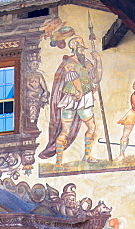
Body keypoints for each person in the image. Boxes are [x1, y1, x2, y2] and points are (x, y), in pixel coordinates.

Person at [40, 34, 103, 168]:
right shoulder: (69, 62)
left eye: (83, 47)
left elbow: (96, 79)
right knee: (66, 131)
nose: (82, 49)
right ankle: (59, 163)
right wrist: (80, 91)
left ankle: (86, 155)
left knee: (91, 127)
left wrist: (98, 61)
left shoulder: (86, 63)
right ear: (74, 46)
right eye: (80, 46)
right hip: (74, 98)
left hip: (84, 98)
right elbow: (73, 79)